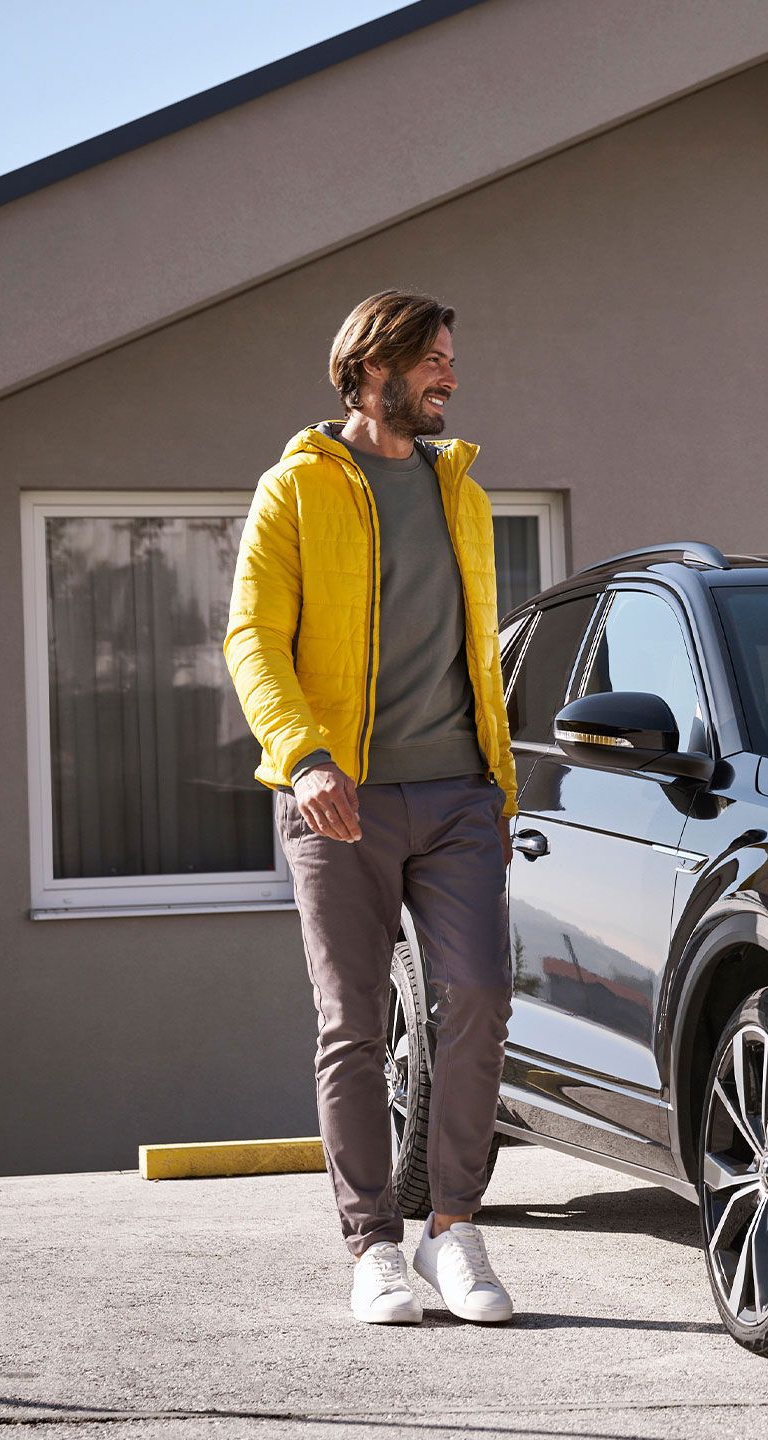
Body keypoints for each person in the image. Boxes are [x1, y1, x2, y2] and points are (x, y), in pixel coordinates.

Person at [225, 290, 518, 1325]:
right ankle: (373, 1247)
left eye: (449, 358)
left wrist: (497, 778)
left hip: (458, 796)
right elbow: (253, 639)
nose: (450, 376)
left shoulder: (463, 491)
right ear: (373, 368)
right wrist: (303, 757)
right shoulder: (295, 488)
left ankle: (455, 1232)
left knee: (478, 996)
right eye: (434, 360)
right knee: (352, 1022)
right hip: (337, 800)